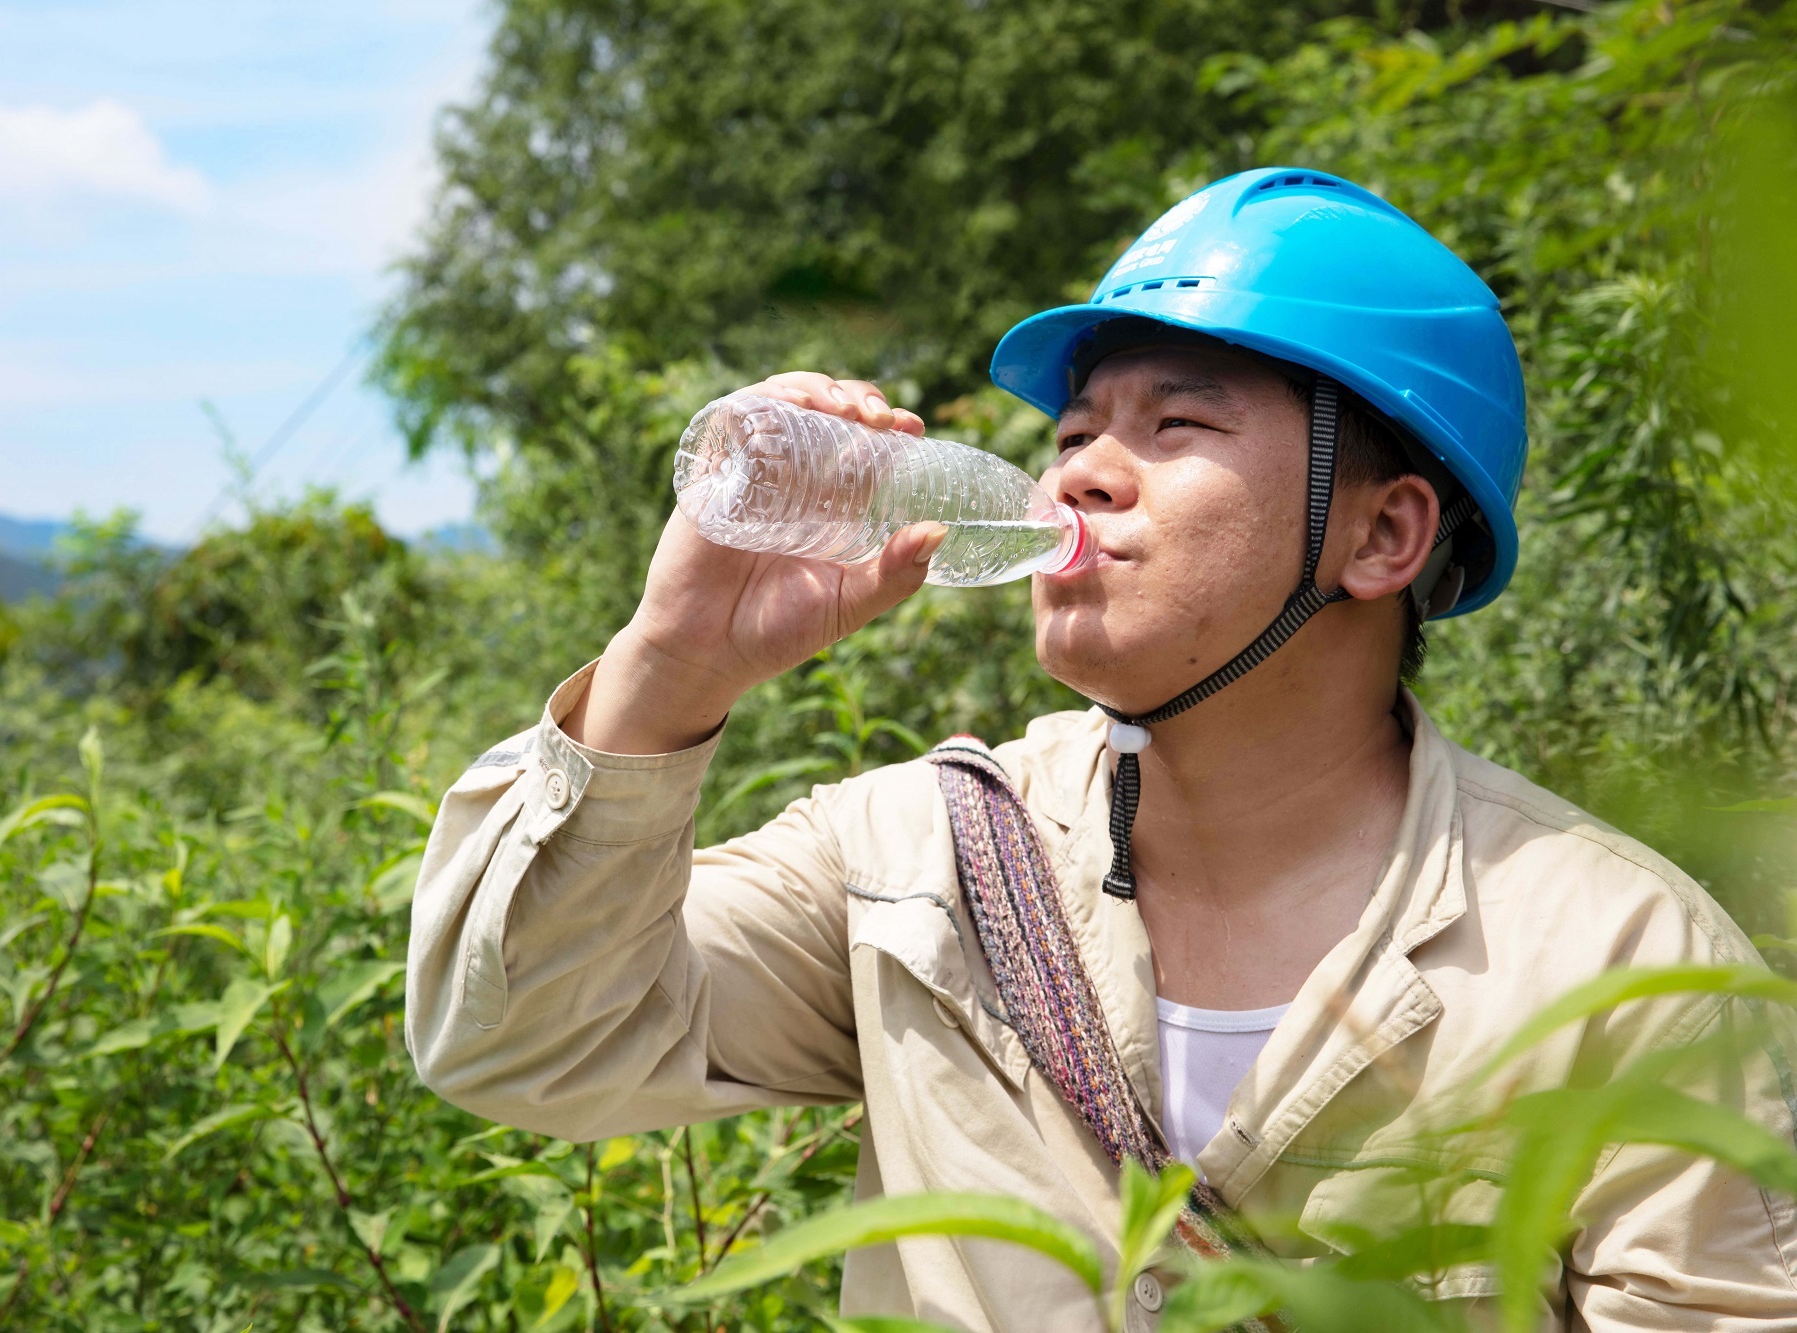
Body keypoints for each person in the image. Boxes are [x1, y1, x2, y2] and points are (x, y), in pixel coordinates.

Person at [404, 168, 1797, 1330]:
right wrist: (668, 667)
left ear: (1384, 535)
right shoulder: (917, 863)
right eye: (1072, 432)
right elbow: (515, 1037)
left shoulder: (1624, 972)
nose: (1076, 471)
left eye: (1175, 423)